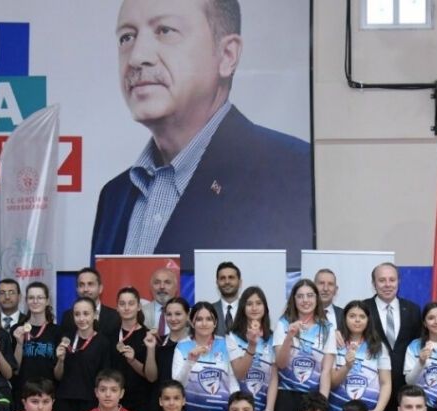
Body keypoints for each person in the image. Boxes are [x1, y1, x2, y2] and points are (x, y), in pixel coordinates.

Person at [90, 0, 312, 265]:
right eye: (127, 37)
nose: (137, 57)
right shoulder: (114, 197)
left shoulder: (293, 172)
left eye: (165, 30)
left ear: (227, 55)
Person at [272, 279, 337, 411]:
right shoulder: (283, 324)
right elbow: (280, 364)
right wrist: (289, 336)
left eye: (310, 295)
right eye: (300, 296)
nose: (305, 300)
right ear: (294, 300)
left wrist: (322, 403)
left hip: (313, 397)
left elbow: (326, 371)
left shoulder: (327, 328)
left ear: (316, 298)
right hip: (286, 395)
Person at [366, 262, 421, 411]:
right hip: (371, 387)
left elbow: (419, 344)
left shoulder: (412, 309)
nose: (387, 284)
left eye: (392, 279)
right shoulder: (363, 309)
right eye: (382, 280)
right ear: (374, 284)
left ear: (399, 281)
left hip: (403, 388)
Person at [325, 300, 391, 411]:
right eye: (352, 316)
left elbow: (386, 383)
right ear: (344, 318)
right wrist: (347, 366)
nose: (357, 320)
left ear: (368, 320)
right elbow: (331, 383)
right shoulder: (335, 342)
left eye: (362, 316)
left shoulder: (378, 346)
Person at [175, 302, 239, 411]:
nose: (204, 323)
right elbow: (177, 386)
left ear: (215, 323)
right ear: (192, 322)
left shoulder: (226, 344)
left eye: (209, 319)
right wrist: (190, 362)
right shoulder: (182, 346)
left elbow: (233, 382)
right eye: (199, 319)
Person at [55, 297, 116, 411]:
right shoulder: (66, 338)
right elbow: (58, 376)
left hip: (90, 401)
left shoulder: (103, 342)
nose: (81, 318)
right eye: (77, 314)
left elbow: (104, 376)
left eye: (86, 313)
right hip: (65, 400)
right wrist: (60, 360)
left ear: (95, 315)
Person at [227, 286, 277, 411]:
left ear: (265, 307)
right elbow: (239, 373)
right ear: (243, 308)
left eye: (258, 303)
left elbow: (274, 378)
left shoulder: (273, 337)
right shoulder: (232, 337)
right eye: (249, 304)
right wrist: (252, 345)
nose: (254, 308)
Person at [113, 287, 160, 411]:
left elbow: (151, 377)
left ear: (139, 307)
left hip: (141, 402)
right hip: (114, 402)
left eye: (131, 303)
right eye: (122, 304)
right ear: (117, 308)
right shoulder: (108, 335)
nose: (126, 308)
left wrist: (133, 361)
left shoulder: (148, 336)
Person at [12, 281, 65, 400]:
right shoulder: (17, 330)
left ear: (47, 301)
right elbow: (15, 370)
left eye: (40, 297)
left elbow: (59, 376)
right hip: (24, 394)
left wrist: (61, 360)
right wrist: (19, 344)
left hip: (48, 395)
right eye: (31, 298)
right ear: (26, 301)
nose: (35, 301)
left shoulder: (57, 331)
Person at [153, 297, 192, 411]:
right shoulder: (158, 342)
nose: (173, 319)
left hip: (190, 406)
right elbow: (152, 377)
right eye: (169, 314)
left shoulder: (195, 344)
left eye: (178, 314)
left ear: (188, 315)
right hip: (161, 407)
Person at [60, 267, 121, 343]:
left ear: (100, 288)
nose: (85, 289)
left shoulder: (115, 317)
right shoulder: (68, 316)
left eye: (90, 284)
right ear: (77, 289)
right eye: (81, 285)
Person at [141, 266, 179, 336]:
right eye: (157, 283)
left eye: (167, 282)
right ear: (151, 288)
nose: (162, 286)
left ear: (176, 287)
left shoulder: (187, 315)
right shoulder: (140, 313)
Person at [211, 262, 243, 335]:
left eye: (231, 277)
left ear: (240, 282)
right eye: (222, 278)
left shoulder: (250, 310)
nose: (227, 282)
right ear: (217, 283)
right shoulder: (209, 311)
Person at [313, 268, 346, 334]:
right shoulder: (302, 314)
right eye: (321, 283)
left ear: (336, 290)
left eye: (330, 284)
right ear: (313, 287)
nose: (325, 288)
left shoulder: (344, 315)